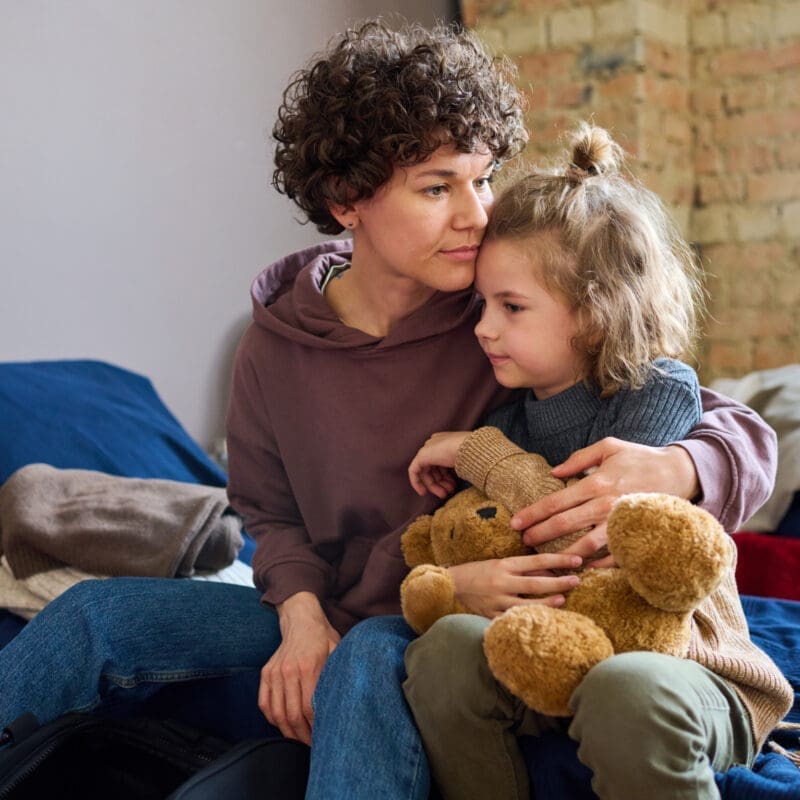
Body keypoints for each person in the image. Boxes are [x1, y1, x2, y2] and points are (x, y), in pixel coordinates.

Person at [0, 18, 781, 800]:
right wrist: (301, 616)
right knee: (93, 615)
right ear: (348, 202)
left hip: (424, 611)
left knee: (369, 658)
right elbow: (270, 516)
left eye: (483, 179)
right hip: (332, 602)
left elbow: (709, 414)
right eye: (438, 188)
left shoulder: (501, 317)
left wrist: (680, 465)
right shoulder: (275, 346)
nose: (477, 214)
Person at [401, 124, 793, 800]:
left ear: (594, 313)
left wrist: (479, 455)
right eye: (483, 304)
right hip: (553, 656)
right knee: (443, 650)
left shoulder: (655, 391)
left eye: (512, 307)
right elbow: (494, 541)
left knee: (625, 686)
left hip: (684, 667)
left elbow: (586, 540)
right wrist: (458, 583)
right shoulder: (508, 420)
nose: (484, 327)